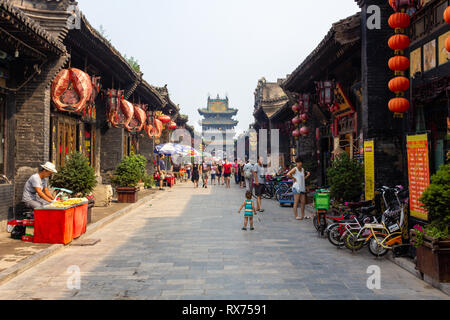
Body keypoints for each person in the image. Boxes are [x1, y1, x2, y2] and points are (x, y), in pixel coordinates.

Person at [287, 157, 311, 221]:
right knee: (296, 202)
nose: (300, 163)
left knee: (303, 202)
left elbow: (302, 179)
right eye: (298, 162)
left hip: (302, 187)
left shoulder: (302, 169)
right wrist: (294, 178)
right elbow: (288, 174)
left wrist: (307, 176)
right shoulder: (295, 169)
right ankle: (296, 216)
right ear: (296, 163)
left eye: (300, 162)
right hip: (296, 187)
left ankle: (303, 215)